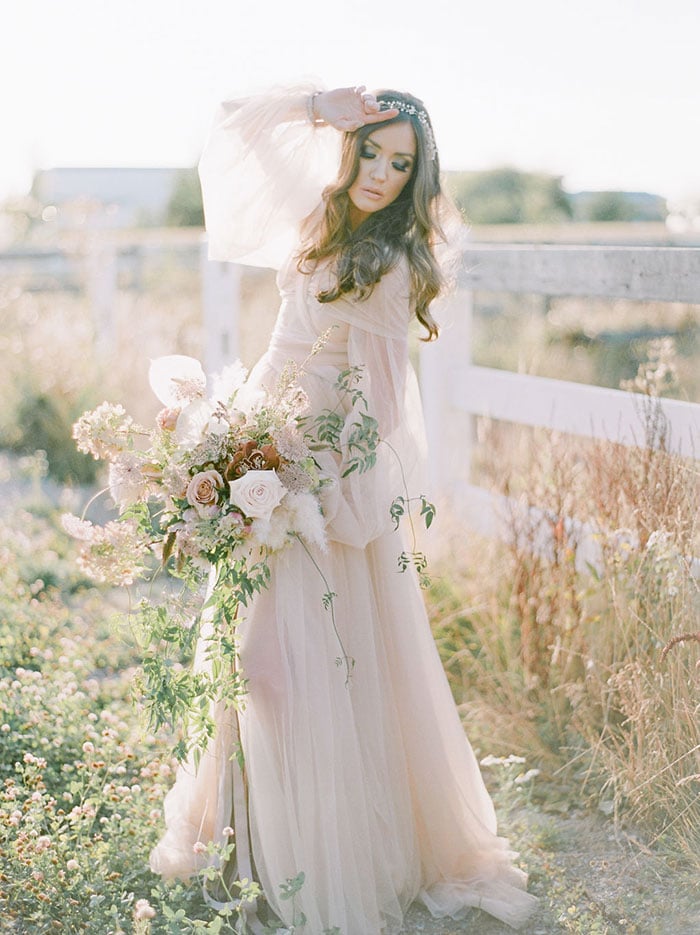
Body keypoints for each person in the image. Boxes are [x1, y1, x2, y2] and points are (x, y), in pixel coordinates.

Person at [150, 83, 537, 934]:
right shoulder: (320, 222)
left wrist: (307, 475)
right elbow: (231, 124)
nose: (383, 175)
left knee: (295, 664)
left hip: (315, 478)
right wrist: (321, 103)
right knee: (251, 656)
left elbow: (384, 403)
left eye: (402, 165)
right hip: (259, 439)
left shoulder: (394, 263)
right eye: (374, 153)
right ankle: (249, 833)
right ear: (351, 148)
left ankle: (322, 849)